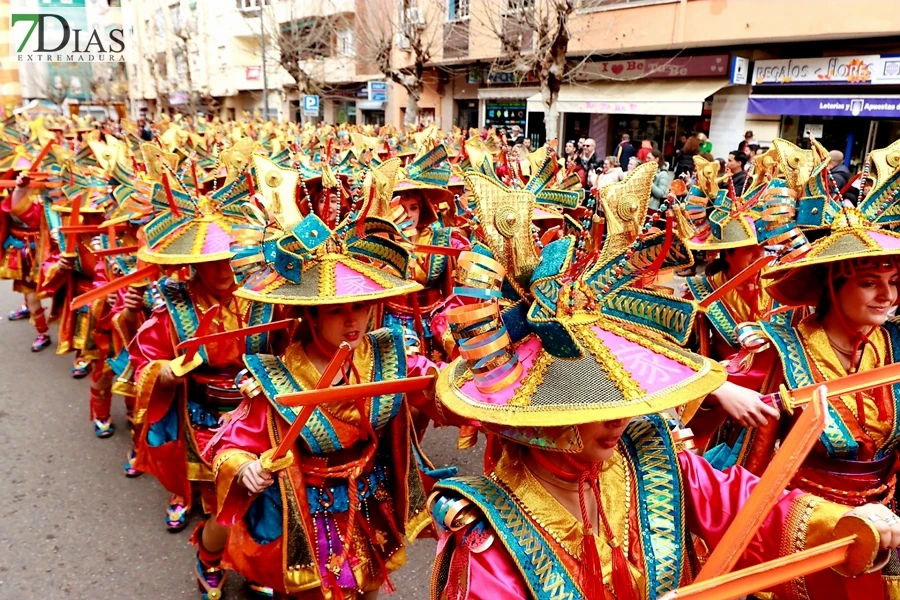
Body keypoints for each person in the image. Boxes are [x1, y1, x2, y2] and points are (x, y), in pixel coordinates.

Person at [428, 161, 900, 600]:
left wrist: (842, 523)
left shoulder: (646, 457)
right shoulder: (488, 537)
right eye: (594, 403)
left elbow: (744, 504)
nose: (621, 419)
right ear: (539, 416)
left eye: (622, 396)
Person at [208, 188, 445, 599]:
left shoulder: (388, 355)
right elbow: (233, 444)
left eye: (361, 306)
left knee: (369, 583)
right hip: (308, 506)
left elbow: (440, 390)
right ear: (312, 315)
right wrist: (244, 466)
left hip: (370, 495)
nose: (353, 321)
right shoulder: (280, 377)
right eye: (337, 310)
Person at [129, 175, 278, 599]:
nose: (224, 272)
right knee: (211, 491)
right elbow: (145, 361)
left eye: (230, 260)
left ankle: (247, 560)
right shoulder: (174, 307)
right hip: (199, 408)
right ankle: (196, 527)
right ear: (193, 264)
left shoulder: (260, 298)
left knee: (248, 497)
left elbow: (284, 349)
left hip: (251, 414)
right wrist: (166, 373)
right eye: (212, 263)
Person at [1, 173, 50, 351]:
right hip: (21, 249)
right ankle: (32, 313)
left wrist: (21, 189)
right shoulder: (16, 192)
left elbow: (20, 209)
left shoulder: (47, 200)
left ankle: (42, 332)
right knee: (26, 286)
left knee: (32, 292)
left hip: (39, 251)